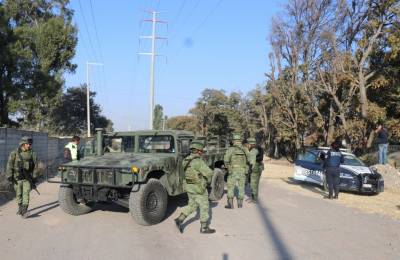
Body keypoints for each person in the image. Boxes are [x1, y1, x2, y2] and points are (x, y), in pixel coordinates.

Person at [174, 141, 216, 234]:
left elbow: (183, 175)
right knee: (204, 206)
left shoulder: (185, 160)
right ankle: (204, 228)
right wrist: (207, 180)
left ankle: (179, 219)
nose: (202, 152)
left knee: (192, 205)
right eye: (201, 151)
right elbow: (209, 173)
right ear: (198, 151)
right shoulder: (198, 161)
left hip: (189, 187)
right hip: (199, 188)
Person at [6, 136, 39, 218]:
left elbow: (35, 166)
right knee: (18, 194)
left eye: (29, 144)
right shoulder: (14, 153)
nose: (29, 145)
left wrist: (34, 177)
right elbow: (9, 165)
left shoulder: (32, 153)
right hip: (16, 178)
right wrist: (9, 176)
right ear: (23, 144)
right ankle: (20, 208)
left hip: (27, 178)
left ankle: (24, 211)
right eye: (27, 144)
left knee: (26, 193)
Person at [224, 134, 250, 209]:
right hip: (242, 170)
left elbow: (226, 160)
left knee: (230, 187)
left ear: (234, 141)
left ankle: (230, 204)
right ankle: (240, 204)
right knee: (241, 187)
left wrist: (228, 168)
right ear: (240, 141)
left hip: (232, 171)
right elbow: (249, 160)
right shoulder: (245, 149)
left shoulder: (230, 149)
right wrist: (246, 168)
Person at [247, 138, 264, 202]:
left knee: (254, 182)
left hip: (257, 166)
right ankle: (253, 197)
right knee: (253, 182)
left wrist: (253, 159)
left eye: (249, 143)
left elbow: (261, 158)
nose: (248, 145)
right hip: (254, 166)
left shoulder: (258, 148)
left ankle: (254, 198)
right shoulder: (253, 148)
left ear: (251, 143)